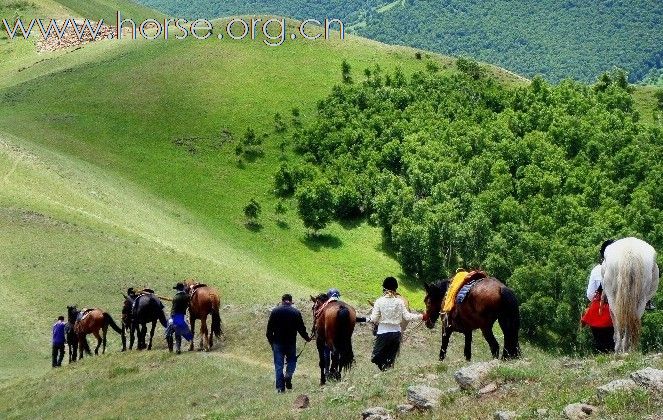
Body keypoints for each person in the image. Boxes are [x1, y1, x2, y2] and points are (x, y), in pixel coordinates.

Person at [366, 277, 427, 370]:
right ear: (395, 289)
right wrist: (422, 316)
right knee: (390, 360)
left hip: (383, 333)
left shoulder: (379, 301)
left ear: (384, 289)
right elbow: (407, 316)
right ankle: (386, 372)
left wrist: (362, 319)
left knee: (374, 357)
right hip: (396, 334)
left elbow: (374, 318)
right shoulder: (400, 301)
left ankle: (383, 370)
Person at [266, 294, 311, 393]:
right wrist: (307, 338)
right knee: (292, 361)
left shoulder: (275, 311)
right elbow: (301, 329)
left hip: (278, 343)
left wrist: (272, 342)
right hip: (291, 343)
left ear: (282, 301)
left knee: (279, 366)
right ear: (291, 301)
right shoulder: (296, 312)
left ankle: (280, 389)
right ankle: (288, 375)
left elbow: (269, 331)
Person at [583, 239, 615, 353]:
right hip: (617, 311)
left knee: (600, 345)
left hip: (599, 311)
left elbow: (590, 295)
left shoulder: (596, 270)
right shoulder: (623, 270)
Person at [165, 282, 193, 354]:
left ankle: (170, 349)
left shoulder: (175, 297)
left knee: (168, 333)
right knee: (178, 333)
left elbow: (174, 307)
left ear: (177, 289)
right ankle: (178, 348)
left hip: (174, 316)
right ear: (183, 288)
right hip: (181, 317)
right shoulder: (187, 296)